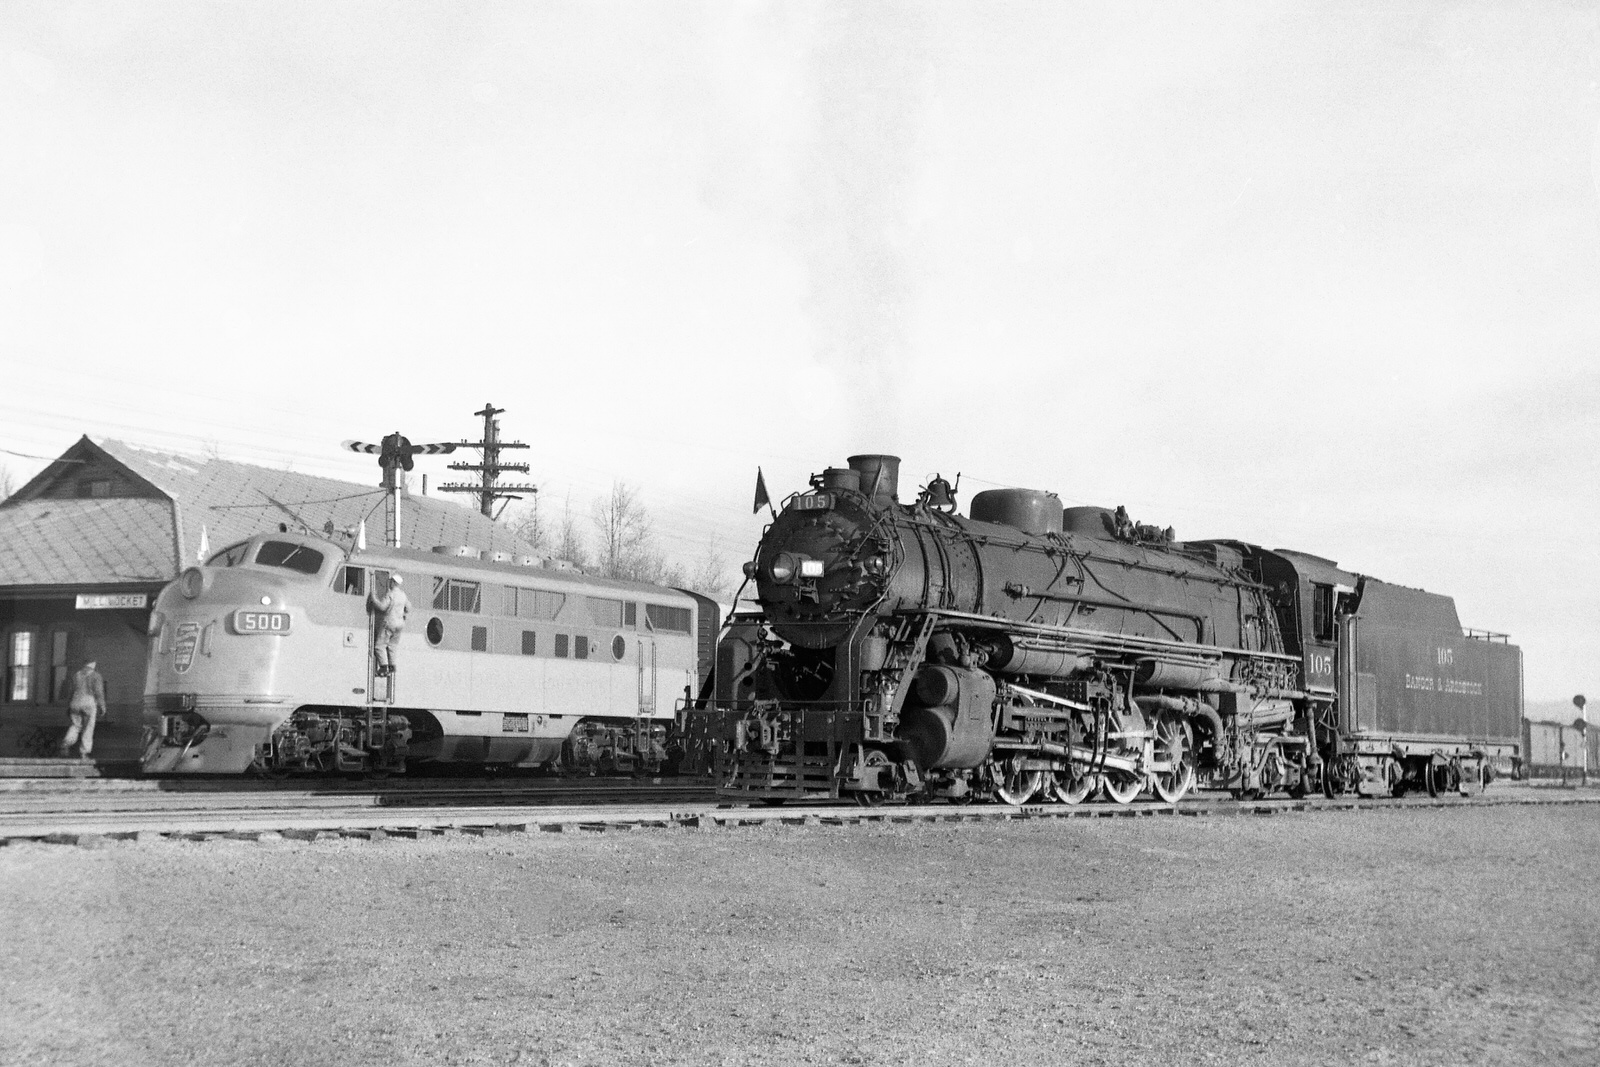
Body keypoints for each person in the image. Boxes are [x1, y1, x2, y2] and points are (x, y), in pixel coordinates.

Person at [60, 660, 106, 760]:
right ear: (93, 665)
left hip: (75, 702)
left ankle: (66, 742)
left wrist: (69, 705)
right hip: (89, 702)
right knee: (88, 727)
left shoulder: (76, 675)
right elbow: (98, 692)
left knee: (75, 725)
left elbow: (71, 692)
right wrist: (102, 706)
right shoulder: (96, 676)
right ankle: (84, 752)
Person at [368, 574, 410, 676]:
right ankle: (392, 666)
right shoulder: (403, 595)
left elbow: (382, 607)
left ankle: (383, 667)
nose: (389, 583)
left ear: (393, 583)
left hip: (390, 623)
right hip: (400, 624)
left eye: (391, 581)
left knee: (379, 646)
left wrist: (374, 598)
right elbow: (408, 608)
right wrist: (402, 613)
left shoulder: (391, 594)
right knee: (393, 646)